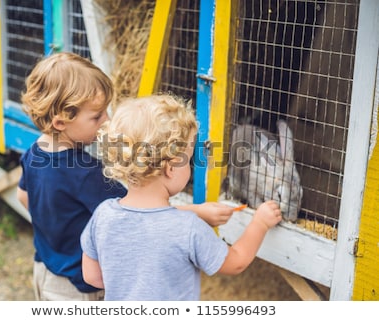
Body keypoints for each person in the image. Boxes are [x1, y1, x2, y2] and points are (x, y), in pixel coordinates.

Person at [16, 52, 234, 301]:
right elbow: (141, 215)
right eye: (96, 116)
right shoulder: (85, 173)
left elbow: (23, 197)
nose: (107, 120)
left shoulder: (35, 153)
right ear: (60, 122)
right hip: (82, 284)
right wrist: (199, 212)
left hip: (45, 271)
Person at [80, 94, 282, 300]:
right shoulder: (188, 228)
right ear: (170, 168)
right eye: (187, 160)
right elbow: (236, 262)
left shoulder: (103, 214)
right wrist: (260, 222)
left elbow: (91, 276)